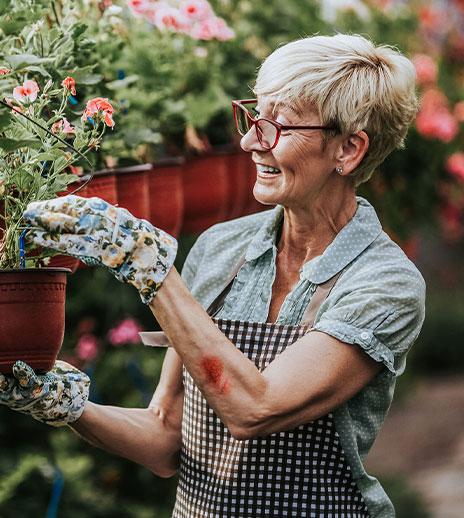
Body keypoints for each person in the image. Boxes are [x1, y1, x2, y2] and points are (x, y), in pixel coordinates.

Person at [0, 33, 425, 517]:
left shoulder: (385, 283)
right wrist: (65, 406)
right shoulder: (222, 249)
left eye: (278, 126)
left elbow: (255, 408)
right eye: (253, 116)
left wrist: (150, 270)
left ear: (348, 150)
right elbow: (165, 437)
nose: (249, 140)